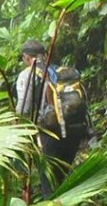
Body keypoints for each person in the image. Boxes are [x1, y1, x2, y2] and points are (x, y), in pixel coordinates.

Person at [13, 40, 84, 189]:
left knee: (50, 187)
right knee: (63, 182)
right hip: (74, 131)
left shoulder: (27, 75)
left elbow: (24, 110)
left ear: (26, 58)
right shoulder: (60, 72)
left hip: (51, 133)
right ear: (45, 55)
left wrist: (19, 132)